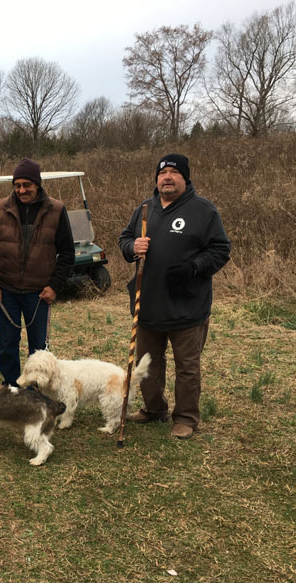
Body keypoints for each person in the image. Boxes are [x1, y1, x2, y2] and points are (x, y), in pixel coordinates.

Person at [118, 153, 230, 440]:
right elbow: (124, 239)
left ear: (185, 177)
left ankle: (186, 418)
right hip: (148, 303)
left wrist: (193, 267)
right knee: (148, 362)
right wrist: (132, 247)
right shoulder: (145, 208)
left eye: (174, 172)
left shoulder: (203, 211)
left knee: (187, 367)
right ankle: (154, 409)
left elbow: (220, 250)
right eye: (162, 173)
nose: (167, 177)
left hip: (187, 305)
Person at [0, 158, 75, 387]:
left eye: (27, 185)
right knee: (7, 344)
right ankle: (11, 387)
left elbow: (67, 253)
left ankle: (37, 389)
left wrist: (54, 286)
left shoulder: (57, 210)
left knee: (39, 347)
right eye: (17, 185)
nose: (22, 190)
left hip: (39, 293)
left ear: (37, 184)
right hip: (7, 292)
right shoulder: (0, 208)